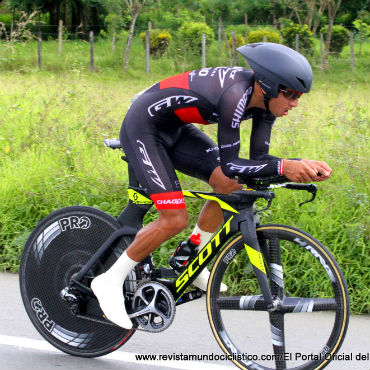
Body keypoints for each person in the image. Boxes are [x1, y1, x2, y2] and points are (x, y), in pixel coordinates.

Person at [91, 42, 332, 329]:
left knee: (228, 185)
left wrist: (294, 167)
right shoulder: (234, 96)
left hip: (175, 128)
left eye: (299, 96)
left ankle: (189, 259)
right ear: (267, 86)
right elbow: (232, 162)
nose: (294, 103)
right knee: (174, 218)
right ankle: (109, 280)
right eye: (290, 94)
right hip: (143, 126)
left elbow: (256, 162)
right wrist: (285, 167)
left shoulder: (267, 106)